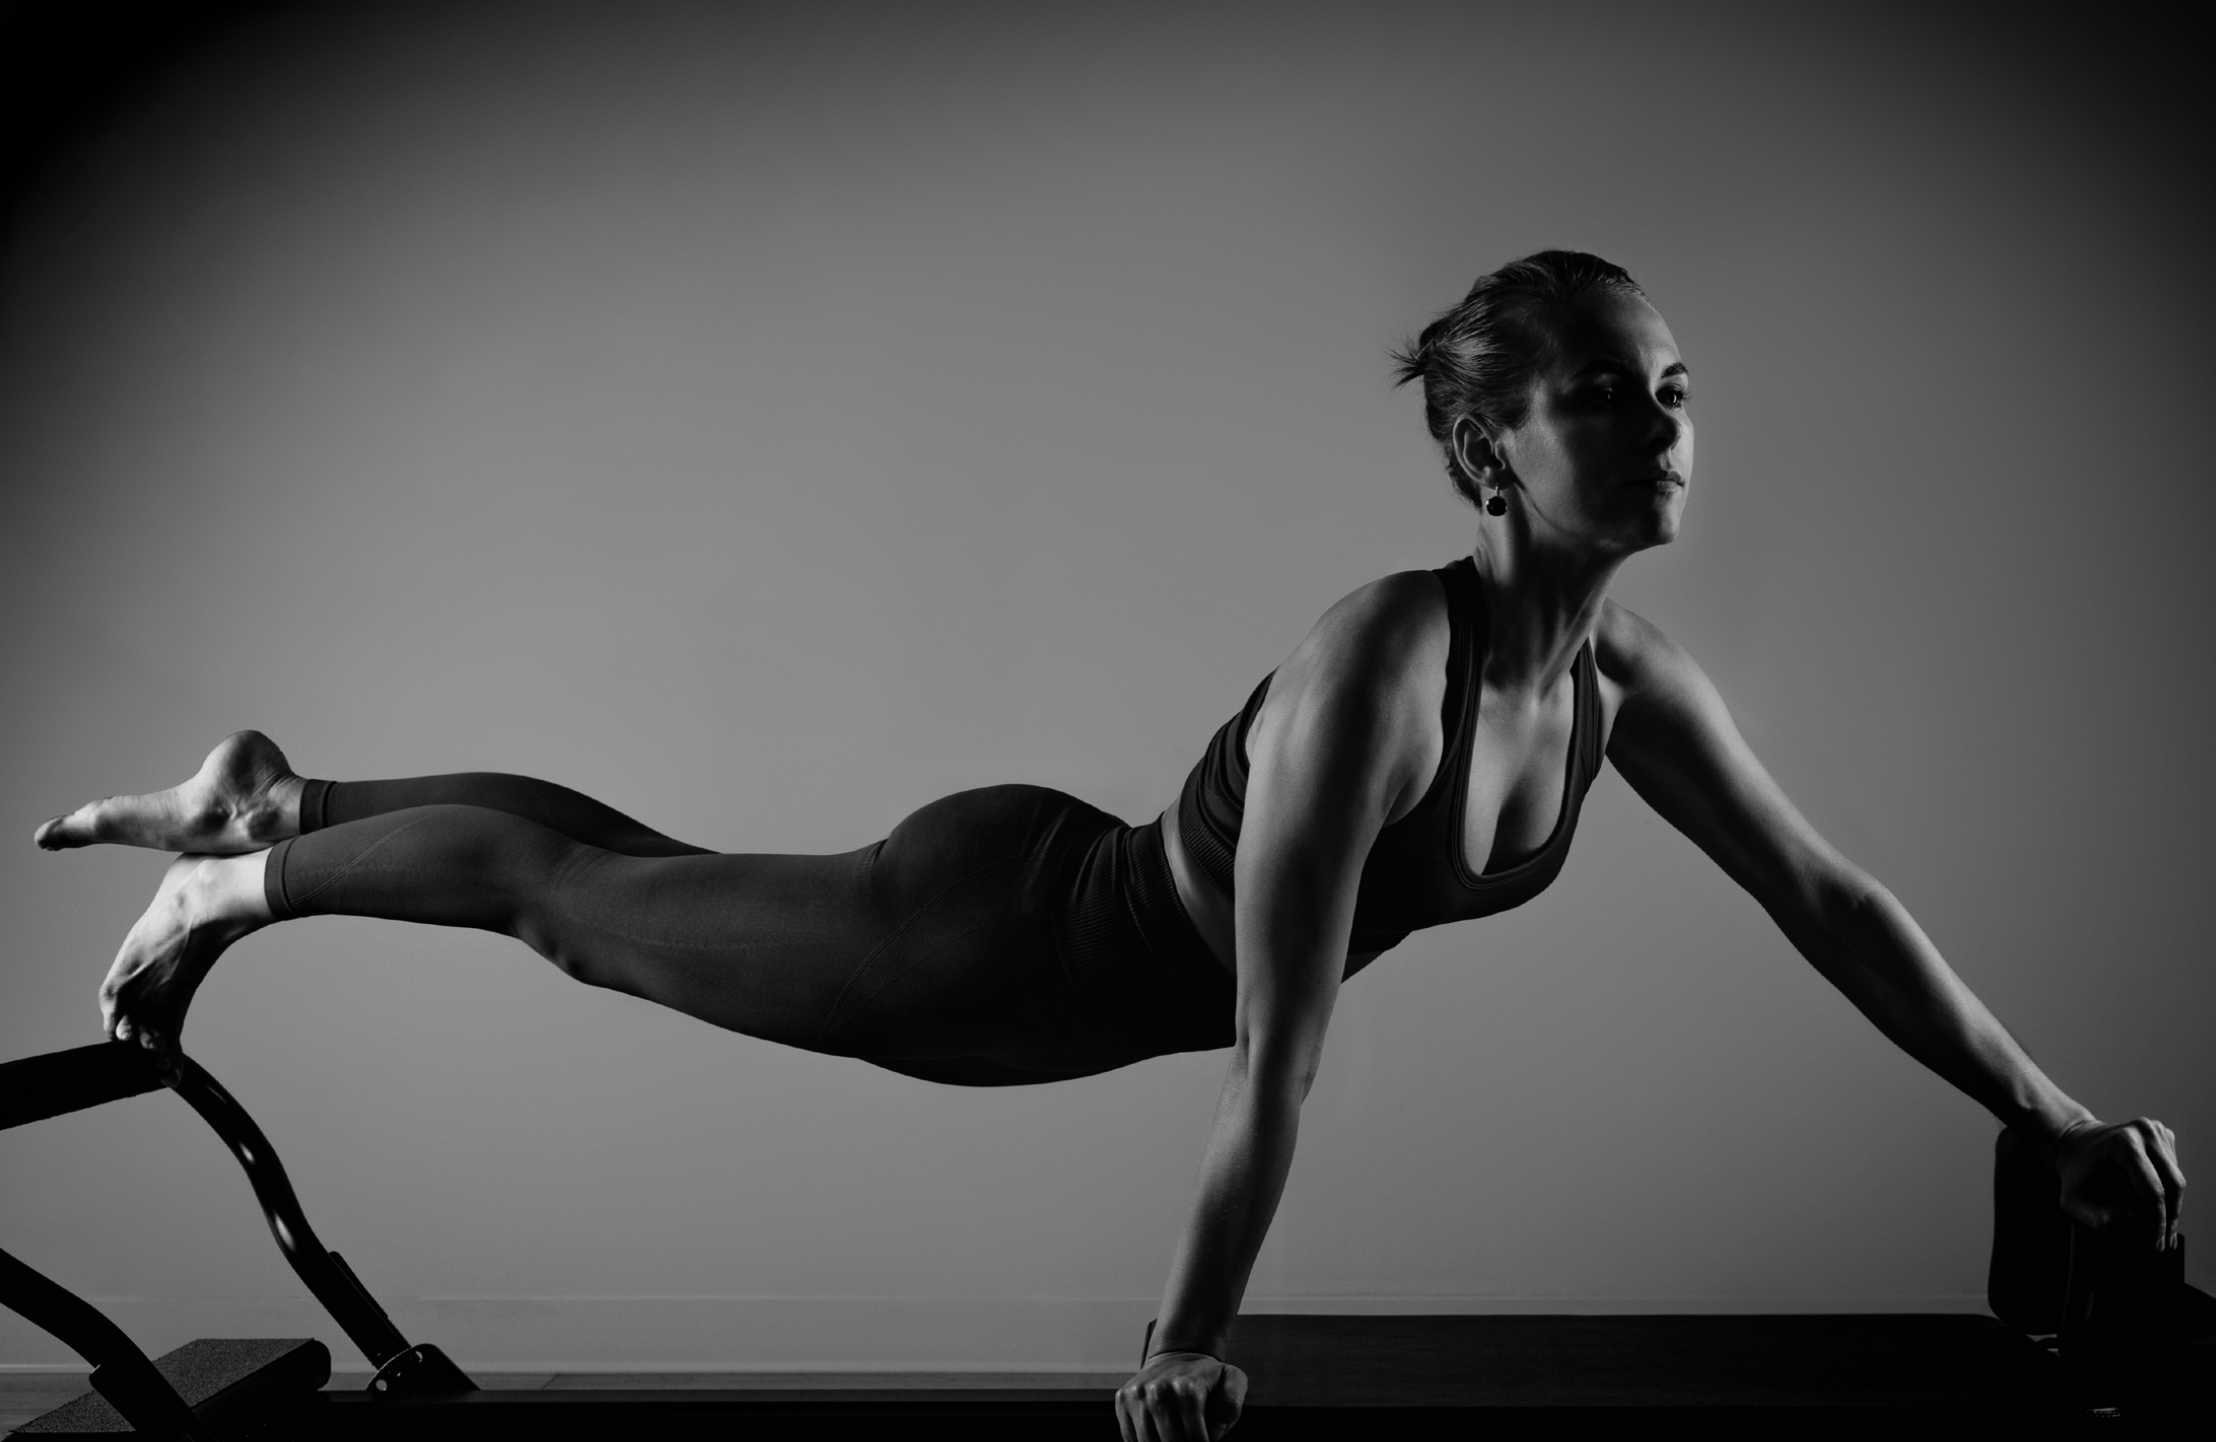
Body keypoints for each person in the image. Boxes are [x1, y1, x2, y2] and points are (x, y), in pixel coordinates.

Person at [35, 251, 2186, 1442]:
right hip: (990, 948)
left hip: (1046, 926)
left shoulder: (1633, 687)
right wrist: (1179, 1339)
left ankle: (282, 797)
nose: (1670, 423)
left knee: (626, 865)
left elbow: (1833, 904)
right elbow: (1279, 1044)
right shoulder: (1388, 661)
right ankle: (253, 869)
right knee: (581, 913)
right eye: (1614, 395)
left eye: (1678, 384)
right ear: (1485, 447)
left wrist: (2052, 1108)